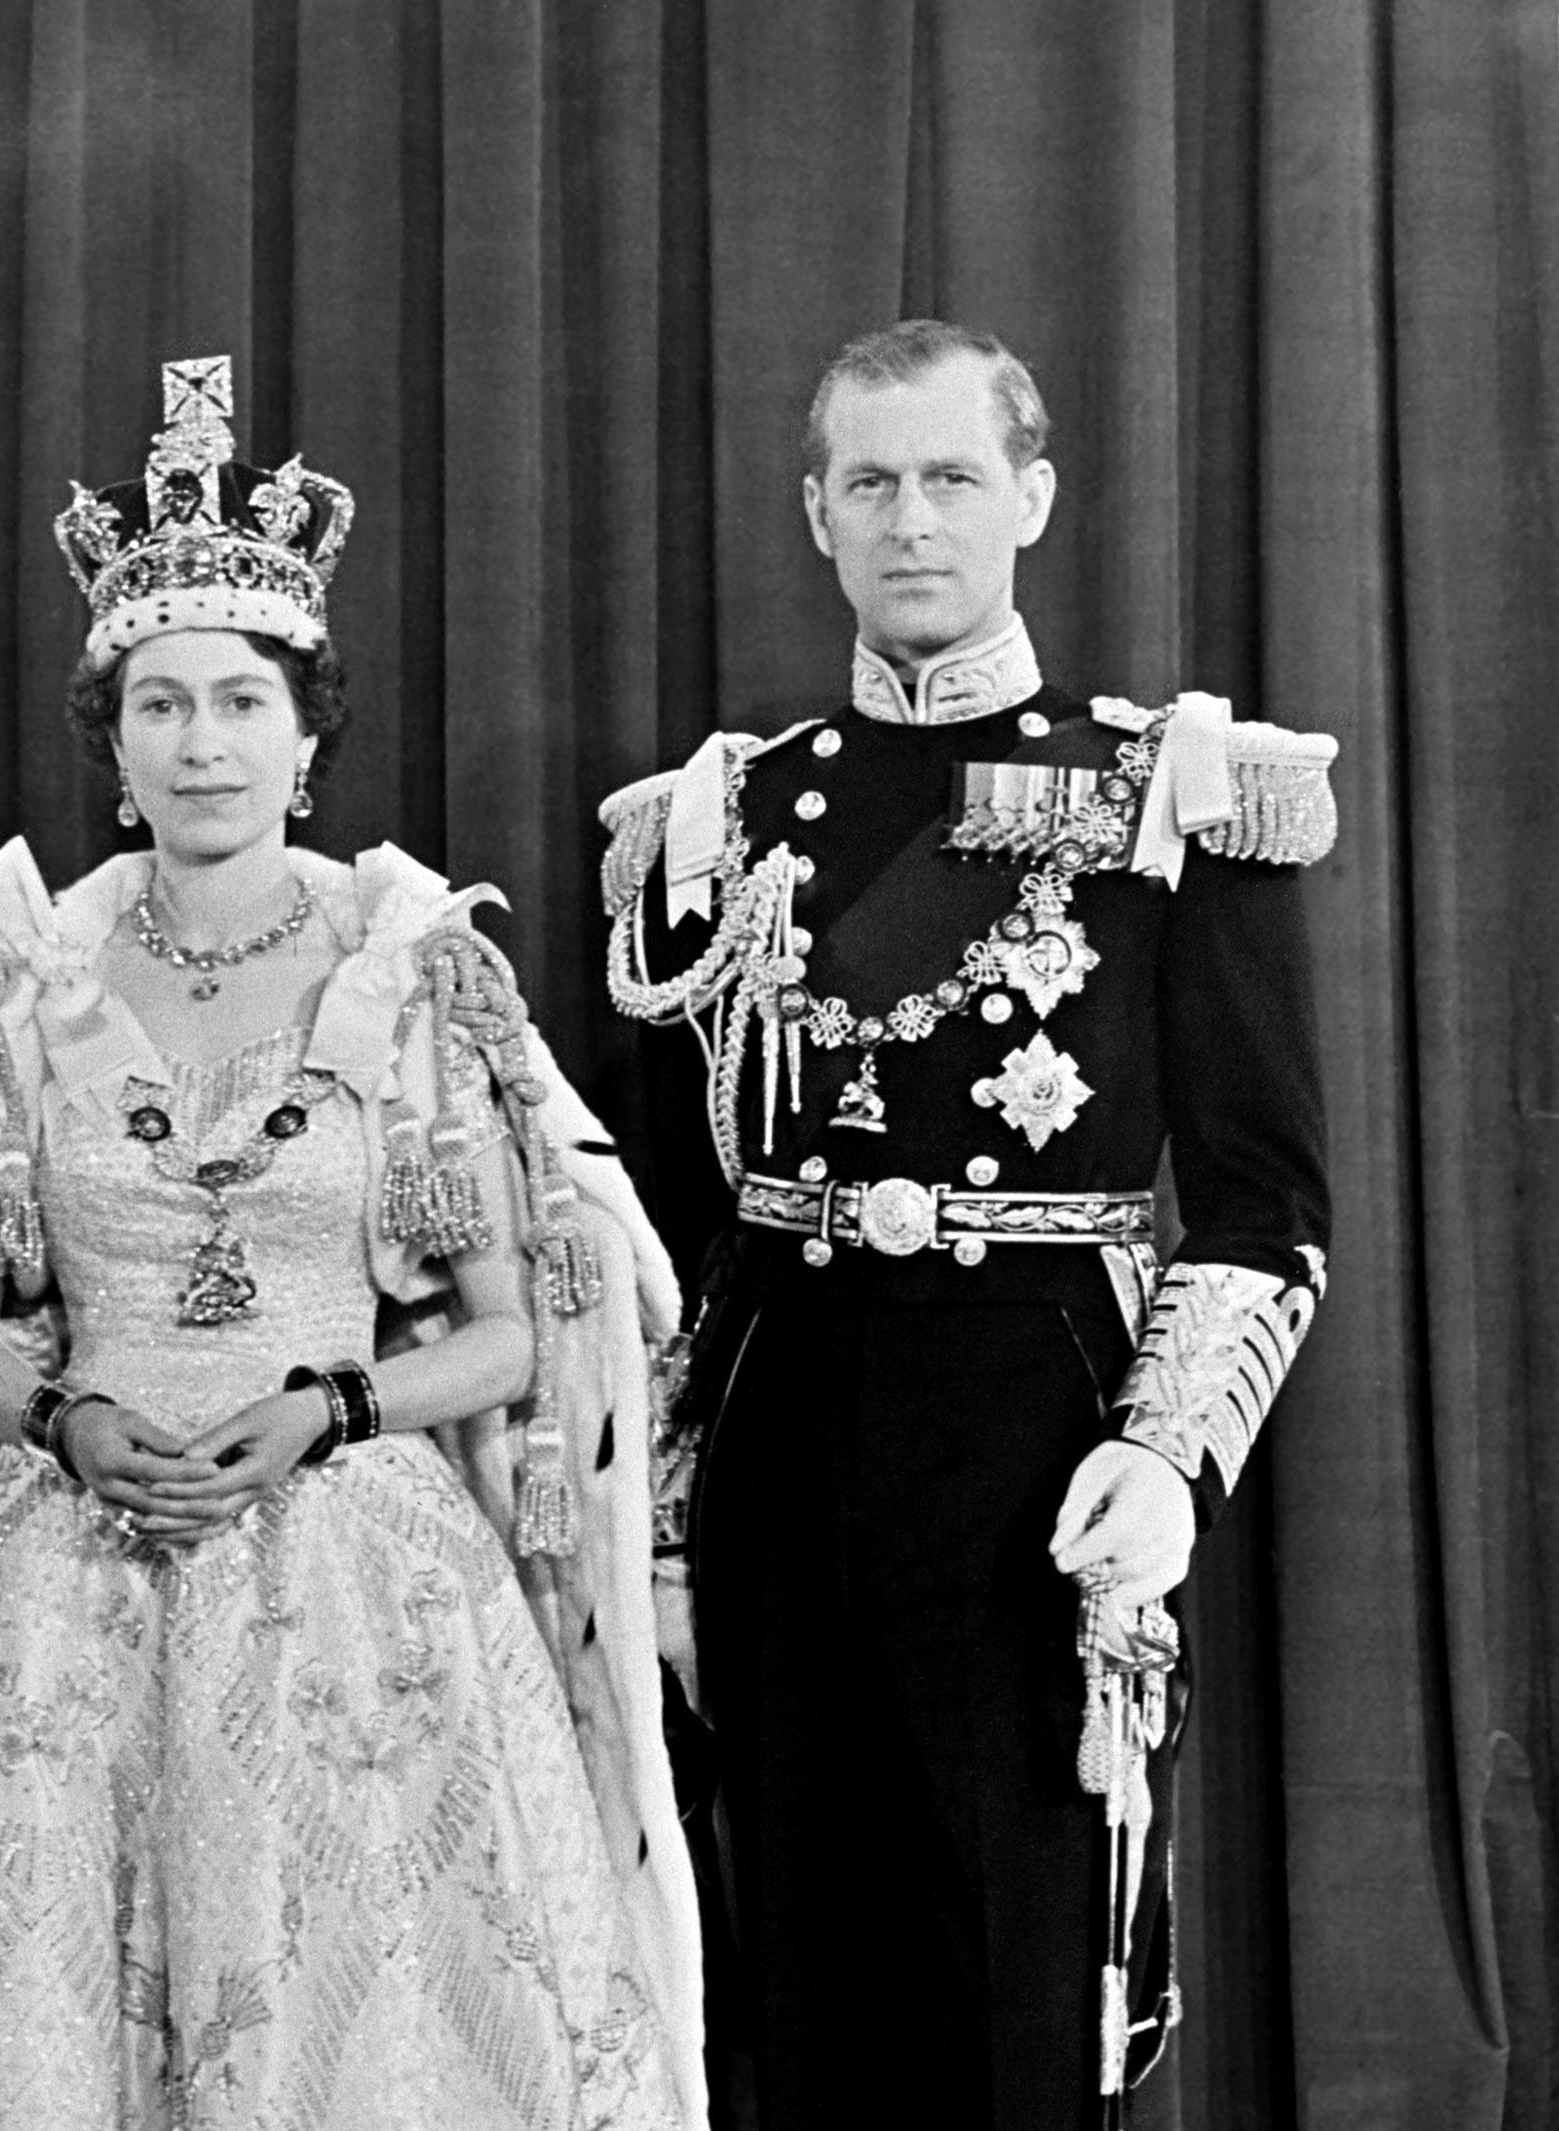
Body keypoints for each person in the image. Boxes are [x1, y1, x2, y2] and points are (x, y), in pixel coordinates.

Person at [0, 356, 707, 2131]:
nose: (204, 742)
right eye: (161, 705)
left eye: (242, 702)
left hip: (353, 1563)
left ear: (308, 736)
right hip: (66, 1566)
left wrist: (328, 1408)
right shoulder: (15, 996)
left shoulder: (413, 990)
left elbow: (504, 1335)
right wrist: (66, 1422)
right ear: (115, 747)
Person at [601, 319, 1336, 2126]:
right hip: (783, 1435)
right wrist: (670, 1521)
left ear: (1033, 496)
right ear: (815, 515)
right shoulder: (719, 820)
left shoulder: (1170, 790)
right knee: (793, 1963)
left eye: (948, 477)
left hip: (1041, 1436)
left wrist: (1168, 1458)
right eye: (870, 482)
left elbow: (1260, 1201)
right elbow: (676, 1237)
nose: (909, 520)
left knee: (1021, 1972)